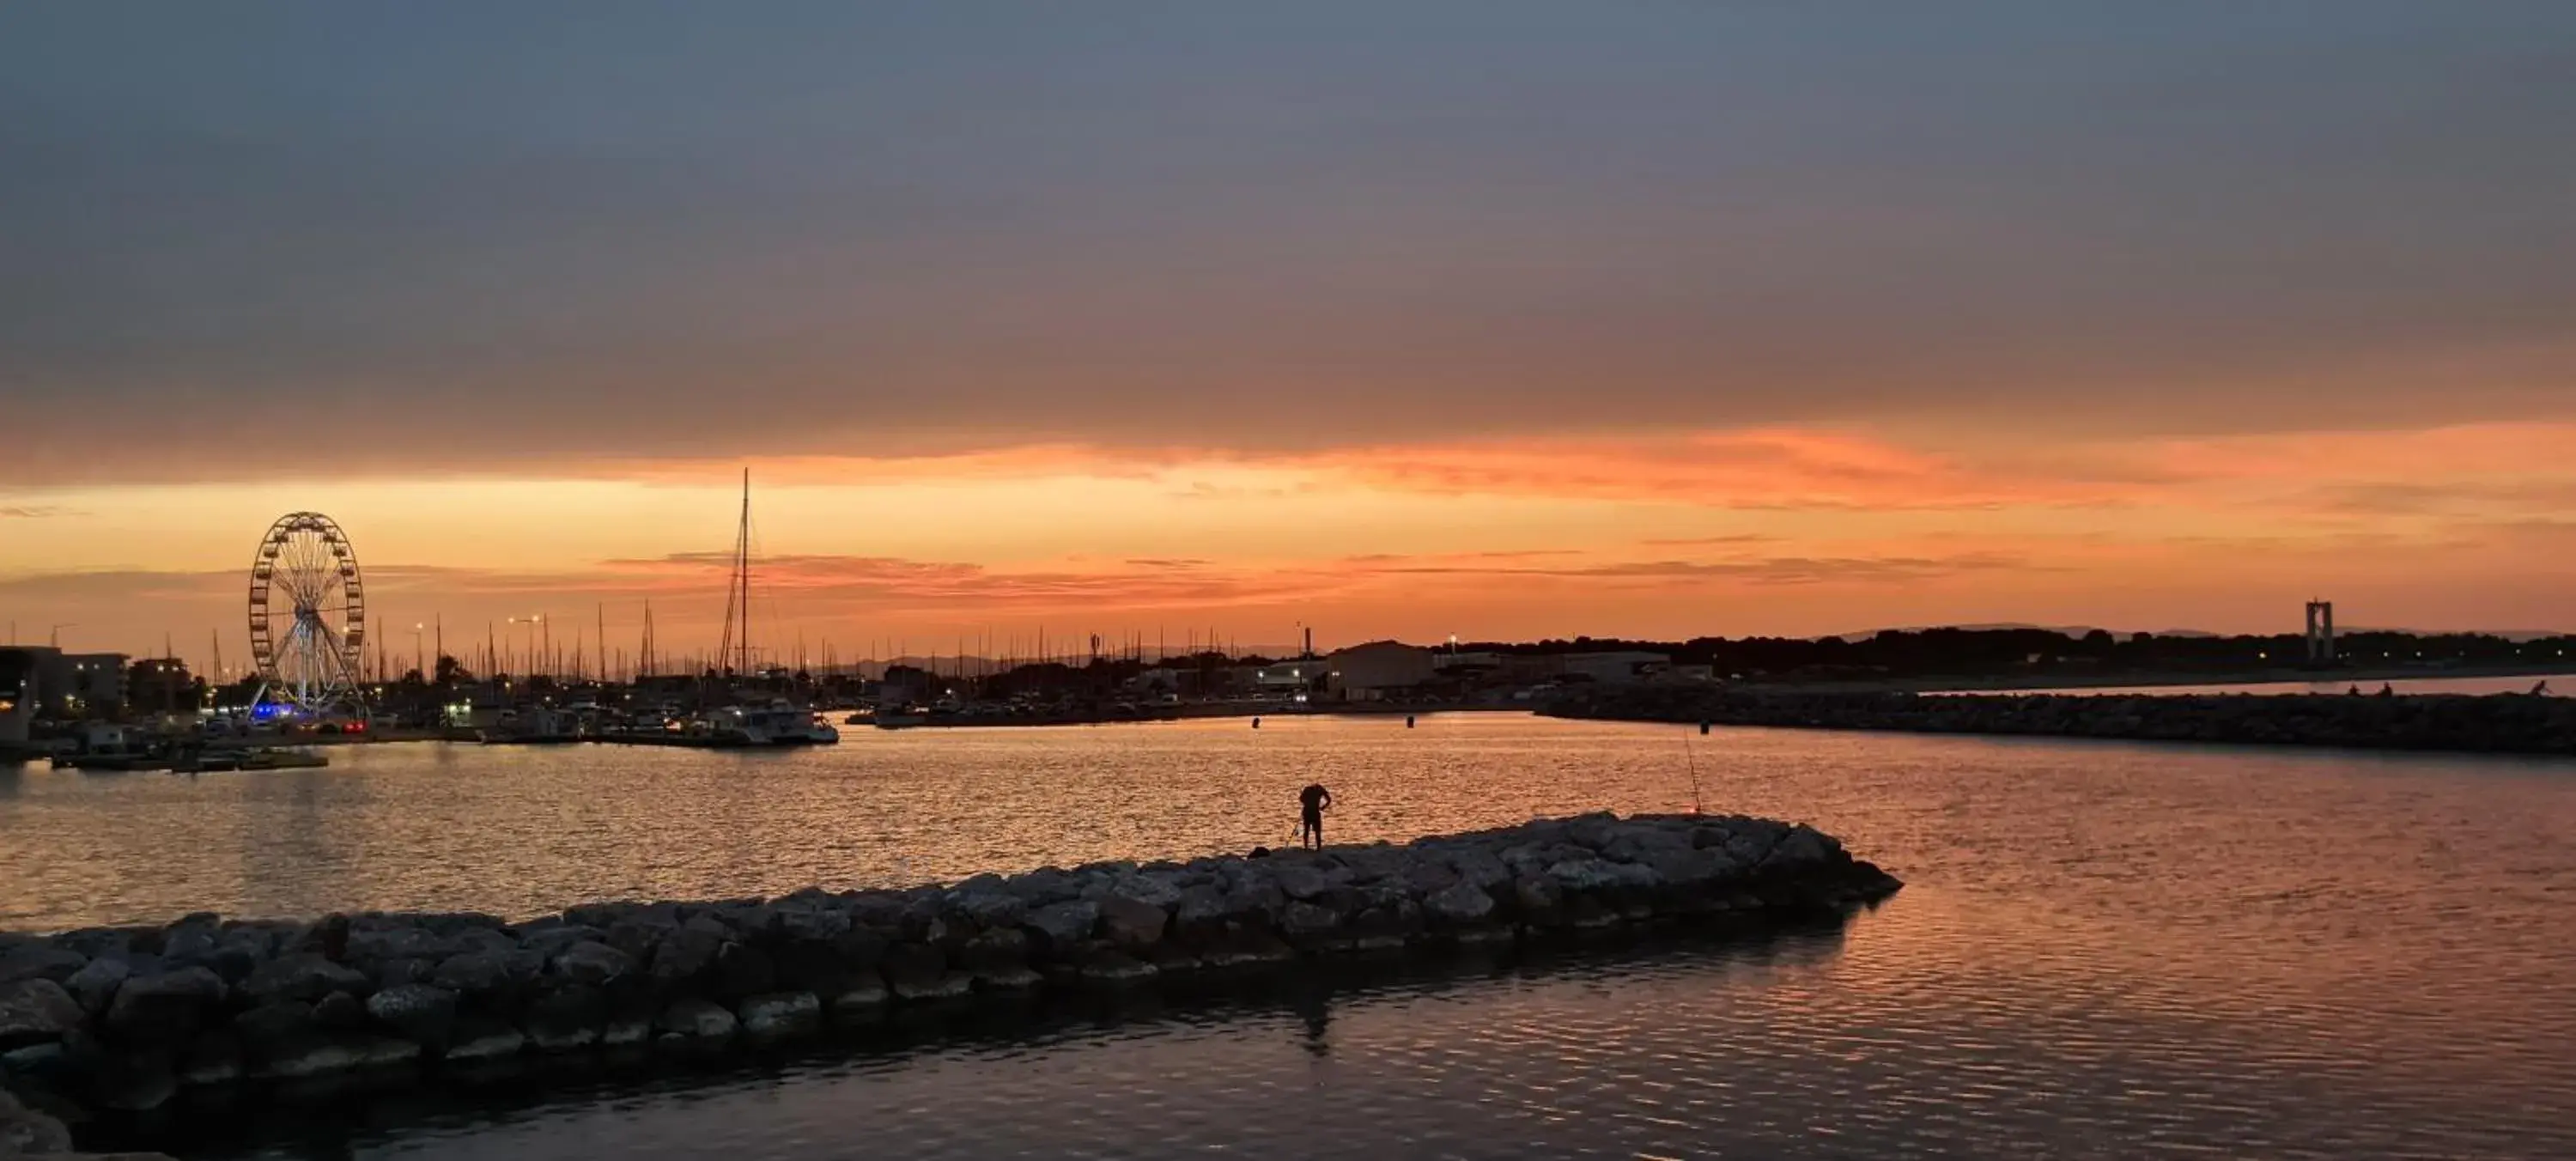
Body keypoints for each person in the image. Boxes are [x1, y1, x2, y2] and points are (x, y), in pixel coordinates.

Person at [1298, 782, 1333, 849]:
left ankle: (1306, 847)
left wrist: (1307, 803)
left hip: (1307, 811)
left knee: (1307, 830)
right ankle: (1318, 848)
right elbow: (1329, 800)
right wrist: (1323, 807)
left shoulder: (1307, 789)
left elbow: (1301, 799)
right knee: (1317, 831)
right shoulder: (1320, 790)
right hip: (1314, 812)